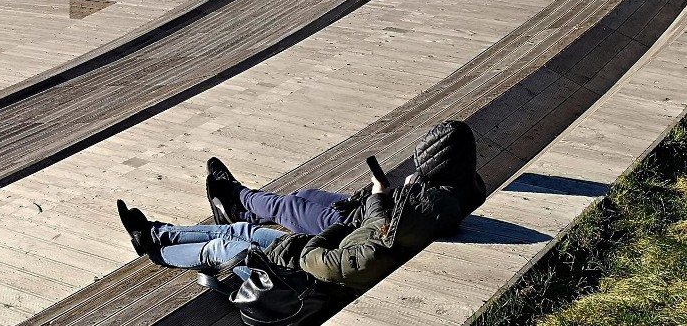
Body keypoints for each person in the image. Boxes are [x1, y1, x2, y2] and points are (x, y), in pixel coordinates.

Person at [116, 120, 486, 293]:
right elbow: (370, 237)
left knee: (227, 247)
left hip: (301, 273)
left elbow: (344, 261)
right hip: (316, 249)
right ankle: (156, 233)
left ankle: (156, 249)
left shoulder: (402, 222)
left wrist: (376, 200)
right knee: (243, 230)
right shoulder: (446, 202)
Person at [205, 120, 486, 235]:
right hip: (361, 212)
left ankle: (234, 192)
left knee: (286, 207)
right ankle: (238, 214)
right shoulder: (468, 185)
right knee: (304, 195)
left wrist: (379, 193)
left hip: (353, 228)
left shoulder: (435, 201)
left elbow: (384, 226)